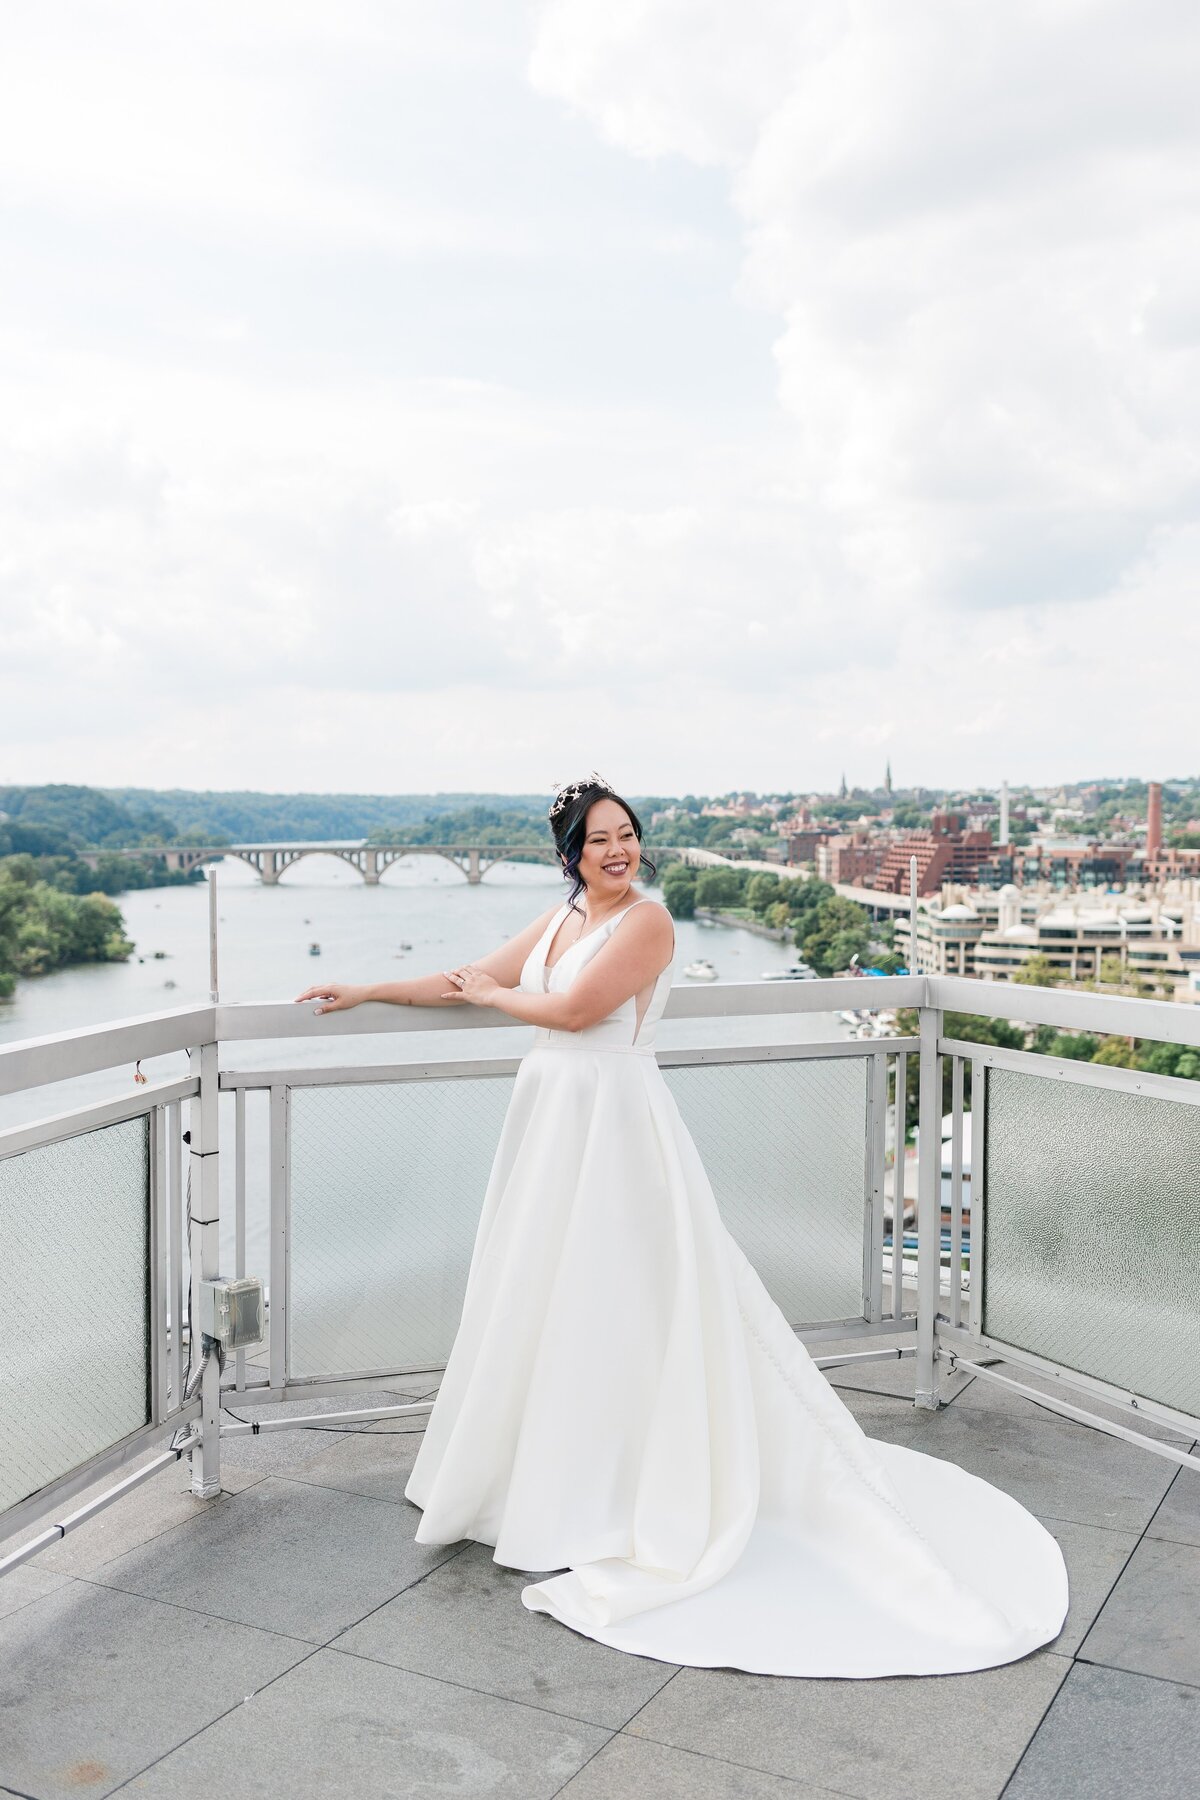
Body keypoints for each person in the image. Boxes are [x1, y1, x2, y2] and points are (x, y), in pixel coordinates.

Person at [295, 775, 1068, 1677]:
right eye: (598, 841)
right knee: (545, 1295)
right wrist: (368, 989)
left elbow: (575, 1013)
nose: (616, 851)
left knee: (619, 1297)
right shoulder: (560, 922)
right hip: (551, 1124)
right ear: (571, 855)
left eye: (625, 835)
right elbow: (475, 977)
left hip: (615, 1124)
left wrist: (498, 1002)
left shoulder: (649, 923)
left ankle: (623, 1489)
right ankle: (546, 1480)